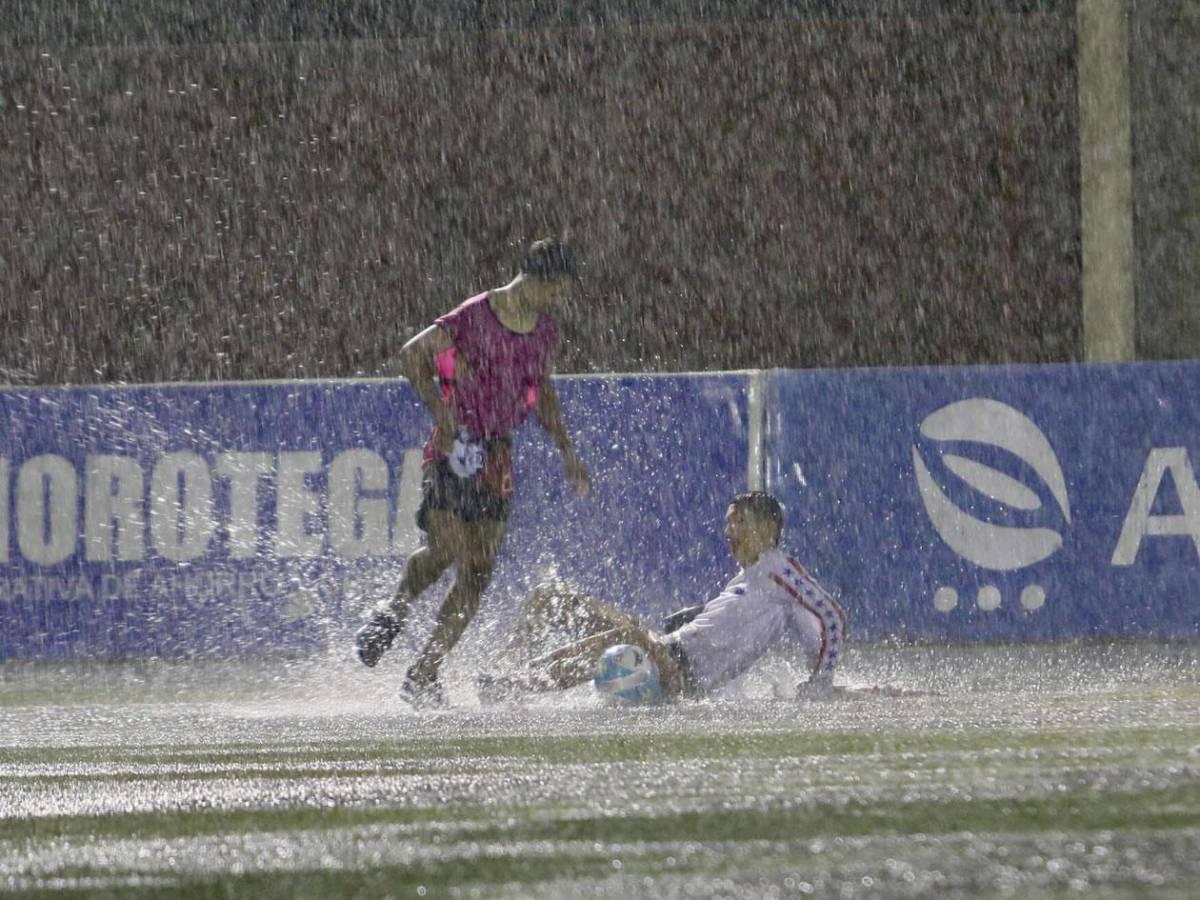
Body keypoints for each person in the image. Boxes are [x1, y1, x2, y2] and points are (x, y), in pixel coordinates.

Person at [355, 238, 591, 705]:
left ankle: (424, 672)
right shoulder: (477, 314)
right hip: (456, 444)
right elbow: (412, 355)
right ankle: (393, 611)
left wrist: (567, 450)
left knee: (479, 570)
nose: (557, 300)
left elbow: (540, 389)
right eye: (555, 290)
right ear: (533, 279)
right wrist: (443, 416)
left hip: (497, 452)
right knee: (446, 549)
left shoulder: (544, 331)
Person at [493, 491, 848, 701]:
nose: (729, 531)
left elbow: (832, 615)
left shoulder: (779, 568)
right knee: (571, 615)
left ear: (768, 528)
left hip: (679, 671)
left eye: (739, 521)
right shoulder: (750, 577)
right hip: (670, 653)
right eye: (728, 522)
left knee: (608, 626)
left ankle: (515, 683)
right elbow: (728, 633)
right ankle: (511, 678)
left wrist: (821, 681)